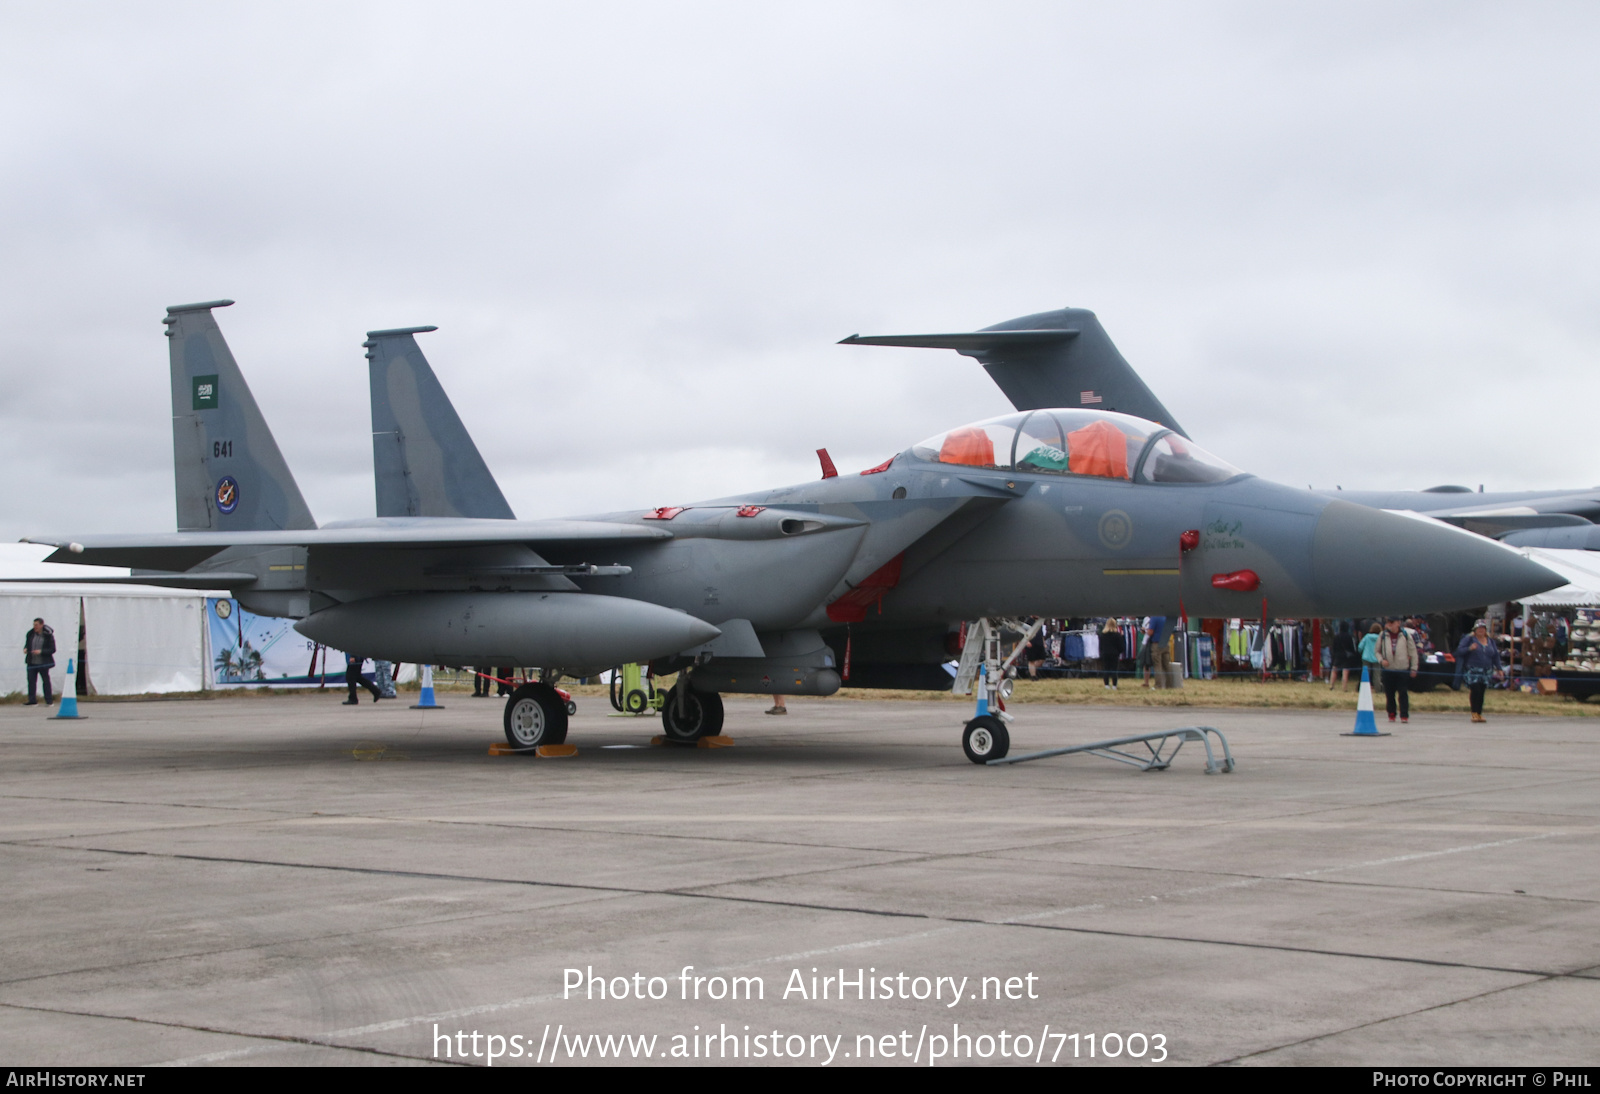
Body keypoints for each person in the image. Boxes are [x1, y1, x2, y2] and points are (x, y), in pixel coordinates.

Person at [1454, 619, 1502, 723]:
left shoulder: (1490, 641)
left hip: (1486, 670)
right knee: (1475, 689)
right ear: (1475, 630)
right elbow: (1459, 651)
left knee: (1482, 691)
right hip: (1472, 669)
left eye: (1483, 628)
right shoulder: (1469, 639)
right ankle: (1474, 712)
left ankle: (1479, 713)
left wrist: (1499, 669)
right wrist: (1469, 648)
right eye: (1479, 628)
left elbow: (1495, 656)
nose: (1481, 630)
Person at [1377, 617, 1419, 723]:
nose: (1390, 625)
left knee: (1403, 692)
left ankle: (1404, 714)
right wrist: (1381, 661)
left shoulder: (1405, 635)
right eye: (1388, 623)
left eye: (1392, 622)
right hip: (1388, 670)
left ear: (1398, 623)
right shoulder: (1383, 635)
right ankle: (1391, 713)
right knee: (1389, 693)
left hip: (1402, 669)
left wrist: (1414, 668)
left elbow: (1413, 652)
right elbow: (1377, 651)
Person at [24, 617, 56, 706]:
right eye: (34, 625)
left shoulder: (48, 635)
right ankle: (32, 700)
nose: (35, 627)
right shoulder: (30, 634)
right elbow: (27, 644)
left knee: (45, 681)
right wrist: (26, 648)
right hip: (32, 662)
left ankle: (49, 700)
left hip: (43, 662)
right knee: (31, 681)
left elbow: (52, 649)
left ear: (42, 625)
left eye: (37, 625)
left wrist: (41, 651)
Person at [1328, 621, 1359, 691]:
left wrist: (1334, 655)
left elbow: (1333, 647)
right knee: (1345, 672)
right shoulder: (1349, 637)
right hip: (1346, 656)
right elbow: (1352, 648)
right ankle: (1344, 688)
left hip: (1337, 655)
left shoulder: (1336, 636)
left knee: (1334, 670)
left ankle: (1331, 685)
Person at [1099, 618, 1125, 688]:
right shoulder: (1117, 635)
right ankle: (1114, 685)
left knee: (1106, 669)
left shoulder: (1102, 635)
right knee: (1114, 670)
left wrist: (1102, 652)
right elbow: (1121, 647)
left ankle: (1106, 685)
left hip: (1105, 654)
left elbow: (1100, 646)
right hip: (1114, 654)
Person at [1357, 622, 1382, 688]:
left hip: (1366, 657)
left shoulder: (1367, 636)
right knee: (1377, 675)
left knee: (1365, 674)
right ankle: (1378, 688)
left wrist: (1361, 652)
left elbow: (1360, 647)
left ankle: (1364, 688)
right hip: (1377, 658)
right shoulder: (1380, 638)